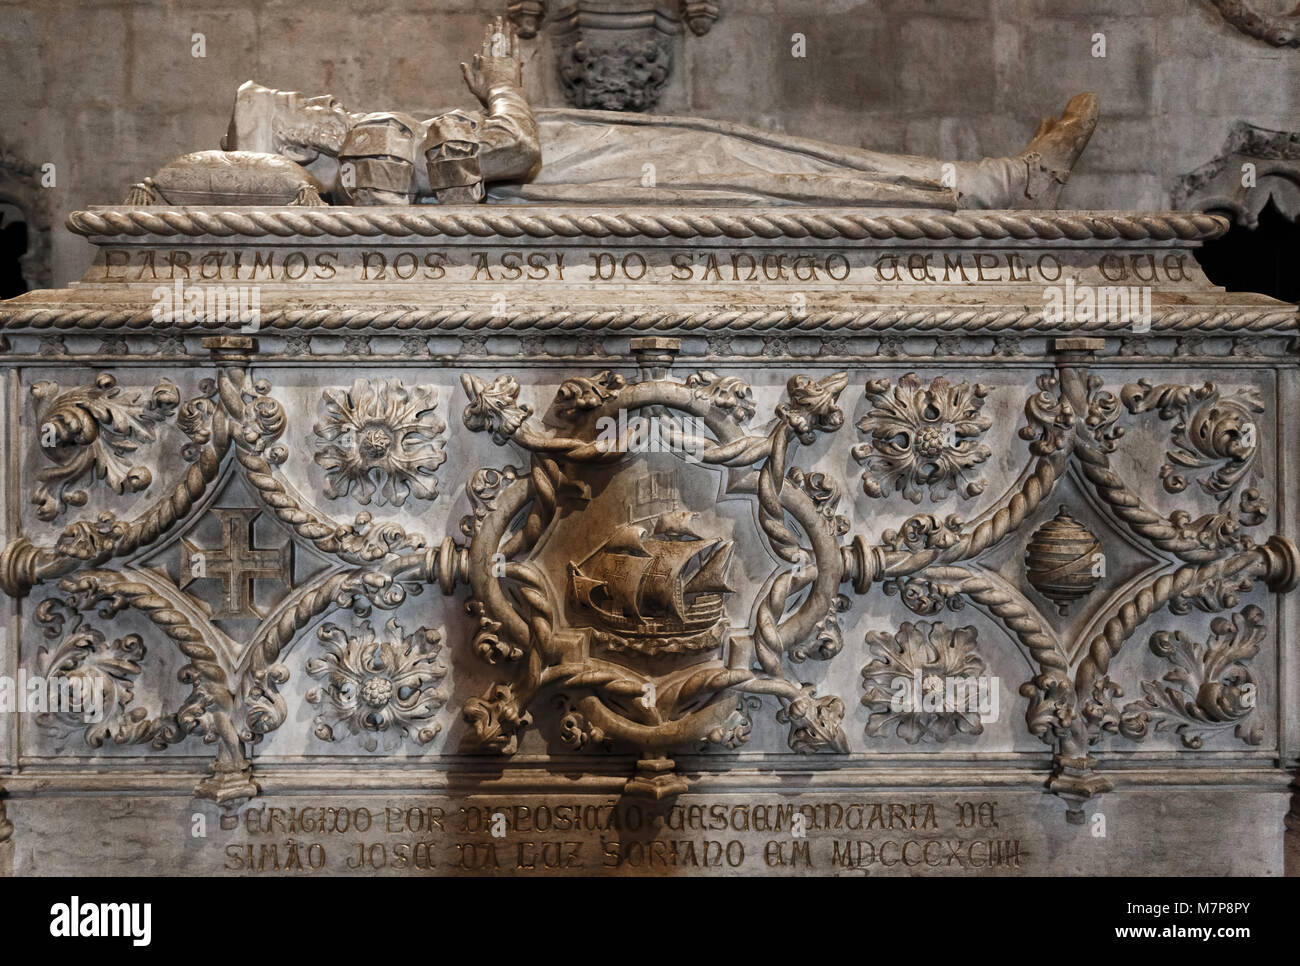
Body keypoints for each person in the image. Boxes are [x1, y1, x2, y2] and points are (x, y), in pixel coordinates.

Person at [219, 16, 1098, 211]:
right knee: (784, 178)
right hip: (575, 176)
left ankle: (1000, 183)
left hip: (580, 174)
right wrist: (500, 78)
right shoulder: (375, 146)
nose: (314, 101)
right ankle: (1004, 187)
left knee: (781, 169)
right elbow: (514, 154)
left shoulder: (363, 179)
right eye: (292, 108)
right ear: (292, 140)